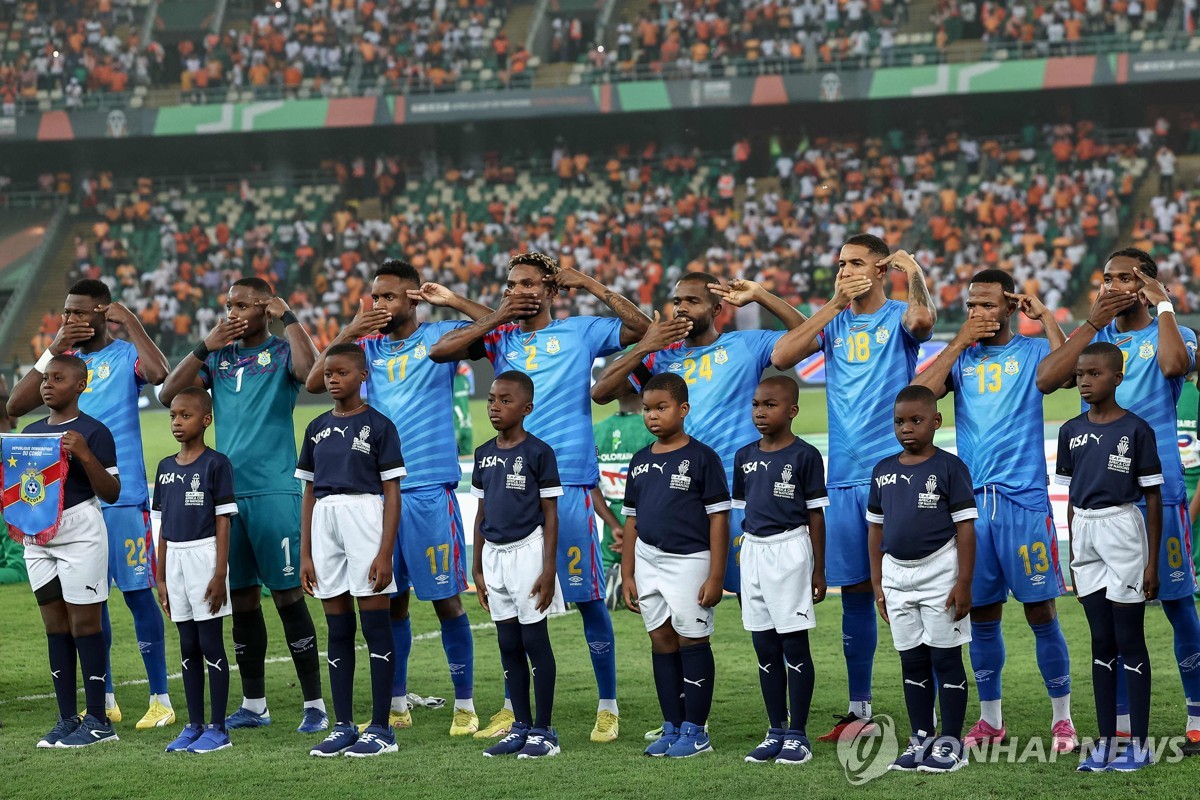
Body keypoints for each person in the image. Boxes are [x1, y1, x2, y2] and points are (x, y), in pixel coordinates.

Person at [432, 253, 651, 742]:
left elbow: (639, 327)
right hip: (511, 485)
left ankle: (608, 705)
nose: (519, 291)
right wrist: (487, 311)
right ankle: (516, 709)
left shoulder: (580, 332)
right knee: (514, 607)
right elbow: (443, 351)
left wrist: (588, 281)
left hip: (568, 483)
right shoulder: (501, 335)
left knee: (587, 597)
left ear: (552, 291)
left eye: (530, 284)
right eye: (511, 284)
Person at [306, 263, 492, 735]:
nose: (380, 306)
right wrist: (351, 328)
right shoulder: (365, 347)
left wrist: (450, 301)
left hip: (428, 489)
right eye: (375, 298)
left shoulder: (441, 334)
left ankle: (465, 704)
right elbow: (313, 381)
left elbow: (498, 326)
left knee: (447, 601)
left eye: (389, 297)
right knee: (392, 602)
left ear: (413, 298)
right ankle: (395, 702)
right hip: (374, 497)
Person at [771, 237, 936, 741]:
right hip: (843, 478)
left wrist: (915, 273)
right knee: (857, 598)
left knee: (919, 595)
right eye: (840, 263)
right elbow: (782, 354)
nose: (844, 270)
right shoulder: (836, 319)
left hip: (897, 475)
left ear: (882, 269)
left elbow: (924, 321)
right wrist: (835, 302)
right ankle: (859, 711)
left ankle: (929, 716)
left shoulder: (898, 317)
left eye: (855, 263)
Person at [1037, 248, 1200, 745]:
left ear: (1147, 283)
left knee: (1176, 604)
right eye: (1106, 277)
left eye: (1123, 278)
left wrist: (1166, 306)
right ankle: (1124, 726)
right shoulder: (1100, 339)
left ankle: (1196, 717)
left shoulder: (1173, 333)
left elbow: (1175, 364)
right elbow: (1049, 379)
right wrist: (1079, 323)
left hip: (1160, 491)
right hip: (1104, 499)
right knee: (1109, 615)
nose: (1110, 285)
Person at [910, 269, 1076, 751]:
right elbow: (920, 396)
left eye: (987, 305)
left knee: (1041, 610)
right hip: (971, 506)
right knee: (980, 614)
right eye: (971, 306)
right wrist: (960, 340)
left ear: (1008, 306)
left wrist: (1045, 319)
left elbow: (1065, 371)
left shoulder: (1028, 352)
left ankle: (1061, 719)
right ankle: (990, 720)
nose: (978, 313)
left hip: (1024, 501)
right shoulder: (962, 357)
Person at [160, 277, 327, 733]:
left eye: (240, 305)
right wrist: (203, 345)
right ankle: (255, 704)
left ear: (263, 307)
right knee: (244, 600)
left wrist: (288, 315)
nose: (230, 312)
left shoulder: (280, 353)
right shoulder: (217, 357)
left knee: (289, 596)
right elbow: (166, 395)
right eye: (227, 305)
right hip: (226, 498)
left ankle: (315, 704)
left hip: (274, 491)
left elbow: (312, 373)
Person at [7, 280, 173, 728]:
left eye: (79, 313)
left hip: (122, 494)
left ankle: (161, 698)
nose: (70, 321)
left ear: (103, 312)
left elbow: (161, 376)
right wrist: (52, 350)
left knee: (138, 595)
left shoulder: (122, 355)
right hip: (68, 503)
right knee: (90, 603)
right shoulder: (63, 362)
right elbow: (16, 405)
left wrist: (132, 322)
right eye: (65, 313)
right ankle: (109, 696)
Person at [591, 276, 806, 603]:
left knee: (760, 599)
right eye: (677, 301)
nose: (681, 309)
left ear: (717, 308)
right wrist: (647, 345)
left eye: (692, 301)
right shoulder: (660, 357)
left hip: (739, 493)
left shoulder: (744, 345)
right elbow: (601, 392)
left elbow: (808, 335)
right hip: (681, 492)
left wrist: (762, 295)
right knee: (683, 604)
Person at [1056, 343, 1162, 773]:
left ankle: (1138, 744)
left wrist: (1152, 561)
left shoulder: (1137, 430)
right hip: (1084, 532)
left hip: (1123, 529)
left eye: (1094, 373)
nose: (1084, 381)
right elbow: (1069, 497)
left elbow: (1152, 497)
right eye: (1080, 373)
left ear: (1117, 378)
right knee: (1101, 641)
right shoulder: (1069, 430)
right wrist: (1072, 554)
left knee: (1129, 638)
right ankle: (1103, 743)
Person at [298, 344, 406, 758]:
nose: (332, 379)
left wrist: (384, 552)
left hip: (365, 515)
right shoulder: (316, 427)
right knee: (338, 628)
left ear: (363, 376)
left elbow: (392, 492)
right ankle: (343, 724)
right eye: (328, 373)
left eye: (341, 372)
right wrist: (306, 552)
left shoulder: (379, 426)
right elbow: (308, 492)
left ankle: (381, 728)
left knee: (375, 624)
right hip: (325, 519)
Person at [867, 385, 976, 774]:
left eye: (916, 420)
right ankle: (920, 739)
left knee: (945, 659)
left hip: (940, 572)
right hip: (896, 575)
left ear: (936, 421)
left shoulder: (950, 468)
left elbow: (965, 530)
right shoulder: (882, 470)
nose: (906, 428)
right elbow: (875, 532)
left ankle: (950, 743)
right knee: (911, 660)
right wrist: (879, 584)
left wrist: (963, 583)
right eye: (899, 421)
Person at [621, 373, 731, 758]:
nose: (652, 416)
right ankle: (671, 726)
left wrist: (716, 574)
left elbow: (719, 518)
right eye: (647, 409)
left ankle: (697, 731)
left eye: (661, 408)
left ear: (682, 410)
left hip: (689, 561)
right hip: (648, 560)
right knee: (661, 639)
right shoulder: (640, 460)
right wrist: (628, 572)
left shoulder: (702, 458)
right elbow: (631, 520)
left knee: (691, 638)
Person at [24, 355, 122, 748]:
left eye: (58, 378)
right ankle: (67, 719)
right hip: (37, 536)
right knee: (55, 627)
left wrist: (83, 453)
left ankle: (98, 721)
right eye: (46, 378)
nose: (48, 384)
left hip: (80, 530)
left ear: (80, 386)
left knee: (85, 626)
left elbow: (112, 493)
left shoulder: (93, 432)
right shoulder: (30, 431)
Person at [734, 376, 827, 765]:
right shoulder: (744, 456)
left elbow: (815, 515)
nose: (760, 411)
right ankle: (775, 729)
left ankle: (798, 734)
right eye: (756, 403)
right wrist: (739, 563)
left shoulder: (805, 456)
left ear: (791, 411)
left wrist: (818, 570)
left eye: (769, 405)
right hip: (754, 551)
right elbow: (741, 513)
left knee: (793, 644)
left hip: (790, 549)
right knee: (764, 645)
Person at [471, 371, 563, 759]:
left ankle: (545, 731)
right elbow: (480, 512)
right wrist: (476, 567)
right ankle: (520, 725)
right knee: (507, 641)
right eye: (492, 399)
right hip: (493, 555)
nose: (495, 406)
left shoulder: (539, 452)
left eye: (505, 401)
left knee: (533, 640)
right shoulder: (482, 453)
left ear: (526, 408)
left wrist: (547, 569)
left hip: (528, 552)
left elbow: (551, 514)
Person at [154, 388, 237, 754]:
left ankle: (218, 728)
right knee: (187, 643)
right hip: (174, 559)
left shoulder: (216, 464)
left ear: (205, 420)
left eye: (185, 416)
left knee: (210, 642)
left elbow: (223, 522)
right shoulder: (165, 468)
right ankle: (194, 724)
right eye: (173, 415)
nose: (176, 422)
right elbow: (160, 526)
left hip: (205, 557)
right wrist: (159, 576)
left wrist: (220, 573)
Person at [592, 392, 655, 594]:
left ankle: (609, 584)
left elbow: (590, 483)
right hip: (643, 516)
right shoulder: (651, 429)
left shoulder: (596, 430)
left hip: (607, 516)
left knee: (603, 586)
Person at [454, 363, 475, 457]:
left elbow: (468, 395)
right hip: (454, 418)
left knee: (467, 442)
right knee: (455, 446)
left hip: (466, 418)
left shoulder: (464, 379)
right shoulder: (449, 381)